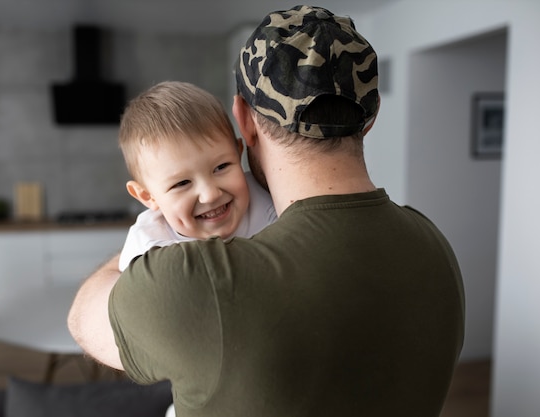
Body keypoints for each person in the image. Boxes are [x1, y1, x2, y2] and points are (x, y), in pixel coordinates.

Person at [68, 5, 465, 417]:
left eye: (219, 167)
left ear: (244, 121)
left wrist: (157, 227)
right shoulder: (434, 246)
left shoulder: (194, 280)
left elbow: (83, 316)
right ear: (371, 116)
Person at [116, 81, 276, 271]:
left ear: (238, 153)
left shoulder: (270, 197)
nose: (210, 195)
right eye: (182, 183)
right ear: (147, 195)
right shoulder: (149, 249)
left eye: (221, 167)